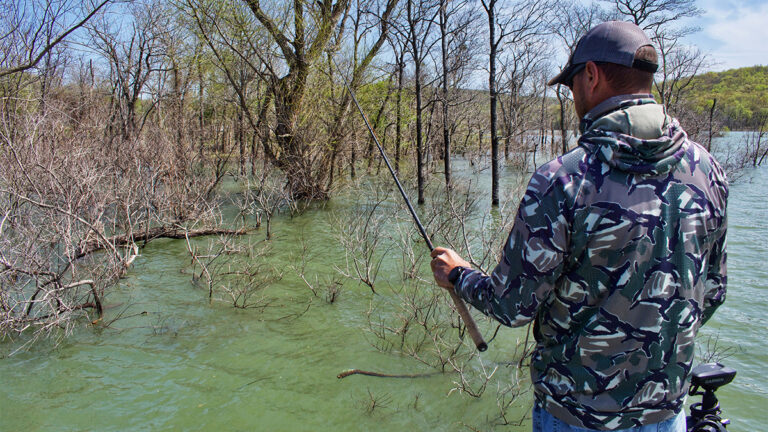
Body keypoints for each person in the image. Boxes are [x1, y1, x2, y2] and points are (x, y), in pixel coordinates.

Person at [430, 21, 727, 432]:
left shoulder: (562, 179)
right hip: (666, 413)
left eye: (571, 85)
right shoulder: (708, 171)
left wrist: (458, 275)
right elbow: (712, 291)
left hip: (575, 416)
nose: (573, 98)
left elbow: (512, 305)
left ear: (591, 75)